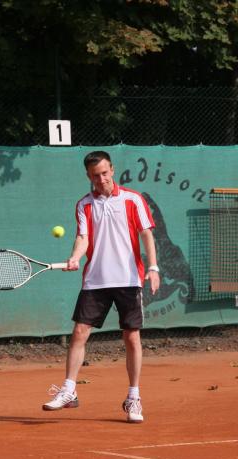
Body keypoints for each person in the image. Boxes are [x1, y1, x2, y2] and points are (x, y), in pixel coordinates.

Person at [42, 150, 160, 423]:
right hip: (96, 280)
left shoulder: (133, 199)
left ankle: (133, 397)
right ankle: (69, 390)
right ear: (89, 176)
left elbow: (146, 234)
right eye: (96, 175)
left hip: (128, 279)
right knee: (79, 332)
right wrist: (75, 256)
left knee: (131, 337)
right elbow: (83, 237)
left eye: (105, 173)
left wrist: (153, 268)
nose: (102, 179)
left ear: (112, 170)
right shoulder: (84, 204)